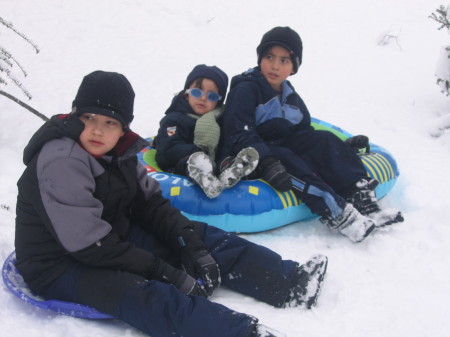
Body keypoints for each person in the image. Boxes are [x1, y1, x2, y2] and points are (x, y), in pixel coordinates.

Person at [14, 70, 328, 337]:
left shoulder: (120, 153)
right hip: (61, 263)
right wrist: (166, 272)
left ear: (123, 127)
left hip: (111, 236)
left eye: (110, 122)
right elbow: (90, 246)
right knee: (144, 294)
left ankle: (290, 282)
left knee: (203, 235)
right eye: (89, 118)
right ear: (74, 117)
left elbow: (150, 204)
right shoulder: (62, 160)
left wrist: (189, 242)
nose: (98, 130)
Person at [219, 26, 403, 243]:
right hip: (253, 155)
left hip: (285, 146)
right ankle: (339, 215)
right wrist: (267, 160)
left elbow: (305, 132)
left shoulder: (290, 96)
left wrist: (341, 148)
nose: (275, 65)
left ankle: (362, 199)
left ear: (293, 68)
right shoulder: (247, 89)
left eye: (284, 60)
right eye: (269, 57)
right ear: (260, 58)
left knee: (324, 140)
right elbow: (237, 132)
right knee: (287, 159)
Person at [155, 64, 259, 198]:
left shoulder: (220, 120)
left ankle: (232, 170)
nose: (203, 98)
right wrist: (197, 152)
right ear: (187, 95)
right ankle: (203, 173)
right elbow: (168, 149)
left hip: (215, 162)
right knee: (191, 161)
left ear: (219, 101)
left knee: (225, 156)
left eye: (212, 96)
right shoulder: (174, 120)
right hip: (181, 164)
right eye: (197, 92)